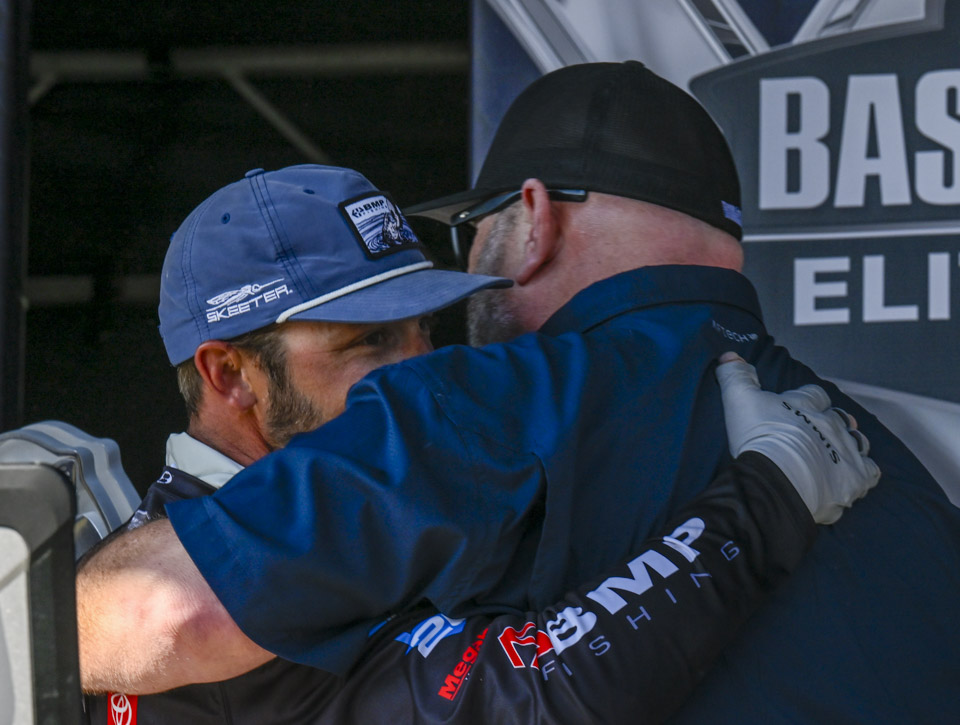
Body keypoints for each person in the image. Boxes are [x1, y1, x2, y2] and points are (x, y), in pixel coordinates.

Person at [83, 61, 959, 721]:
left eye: (425, 327)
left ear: (532, 219)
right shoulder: (900, 471)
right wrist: (762, 501)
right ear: (227, 373)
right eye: (370, 339)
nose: (417, 363)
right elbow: (528, 689)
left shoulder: (479, 406)